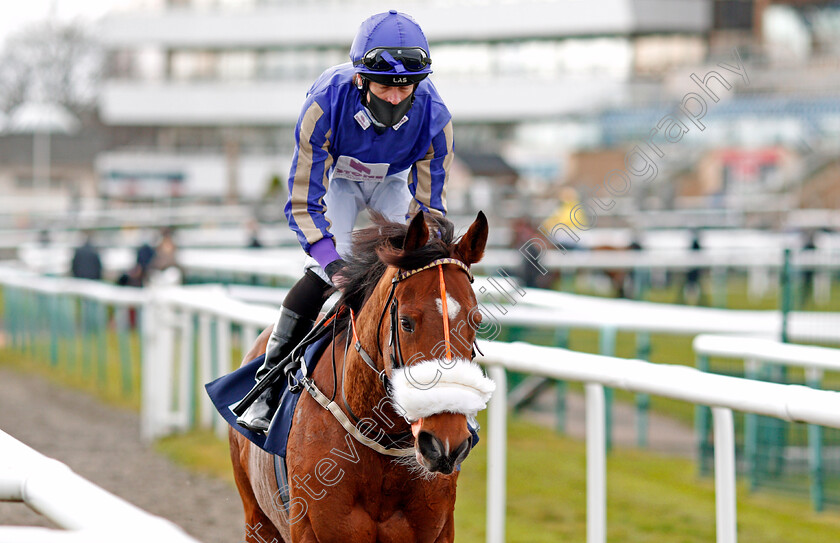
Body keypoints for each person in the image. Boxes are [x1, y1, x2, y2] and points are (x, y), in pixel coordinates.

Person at [236, 10, 453, 433]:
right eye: (385, 86)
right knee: (321, 272)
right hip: (339, 181)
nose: (395, 97)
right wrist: (333, 263)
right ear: (360, 79)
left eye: (405, 86)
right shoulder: (322, 105)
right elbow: (303, 202)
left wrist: (422, 255)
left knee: (407, 269)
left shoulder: (436, 119)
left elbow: (431, 211)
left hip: (392, 182)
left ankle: (438, 394)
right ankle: (268, 385)